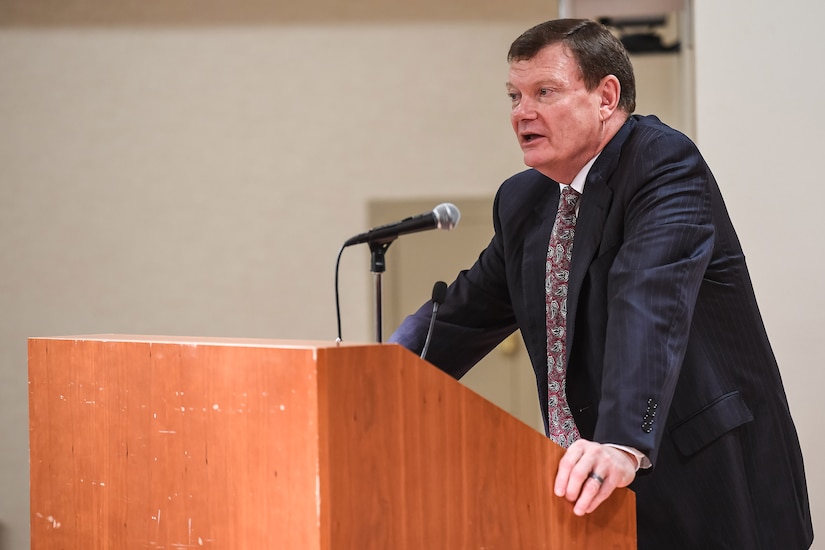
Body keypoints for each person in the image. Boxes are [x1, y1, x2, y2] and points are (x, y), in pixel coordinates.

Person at [388, 18, 813, 549]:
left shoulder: (663, 162)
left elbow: (649, 300)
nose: (522, 112)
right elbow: (465, 311)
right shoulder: (526, 200)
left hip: (707, 479)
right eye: (515, 96)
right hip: (596, 497)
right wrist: (376, 367)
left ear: (606, 95)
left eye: (545, 92)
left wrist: (618, 441)